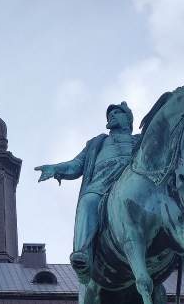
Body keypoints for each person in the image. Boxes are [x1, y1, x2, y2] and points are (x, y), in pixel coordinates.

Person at [35, 102, 139, 275]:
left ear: (128, 119)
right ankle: (82, 252)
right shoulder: (97, 143)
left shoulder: (140, 140)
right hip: (102, 184)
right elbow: (76, 164)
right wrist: (55, 168)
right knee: (88, 202)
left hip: (134, 182)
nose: (112, 116)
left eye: (117, 113)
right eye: (110, 114)